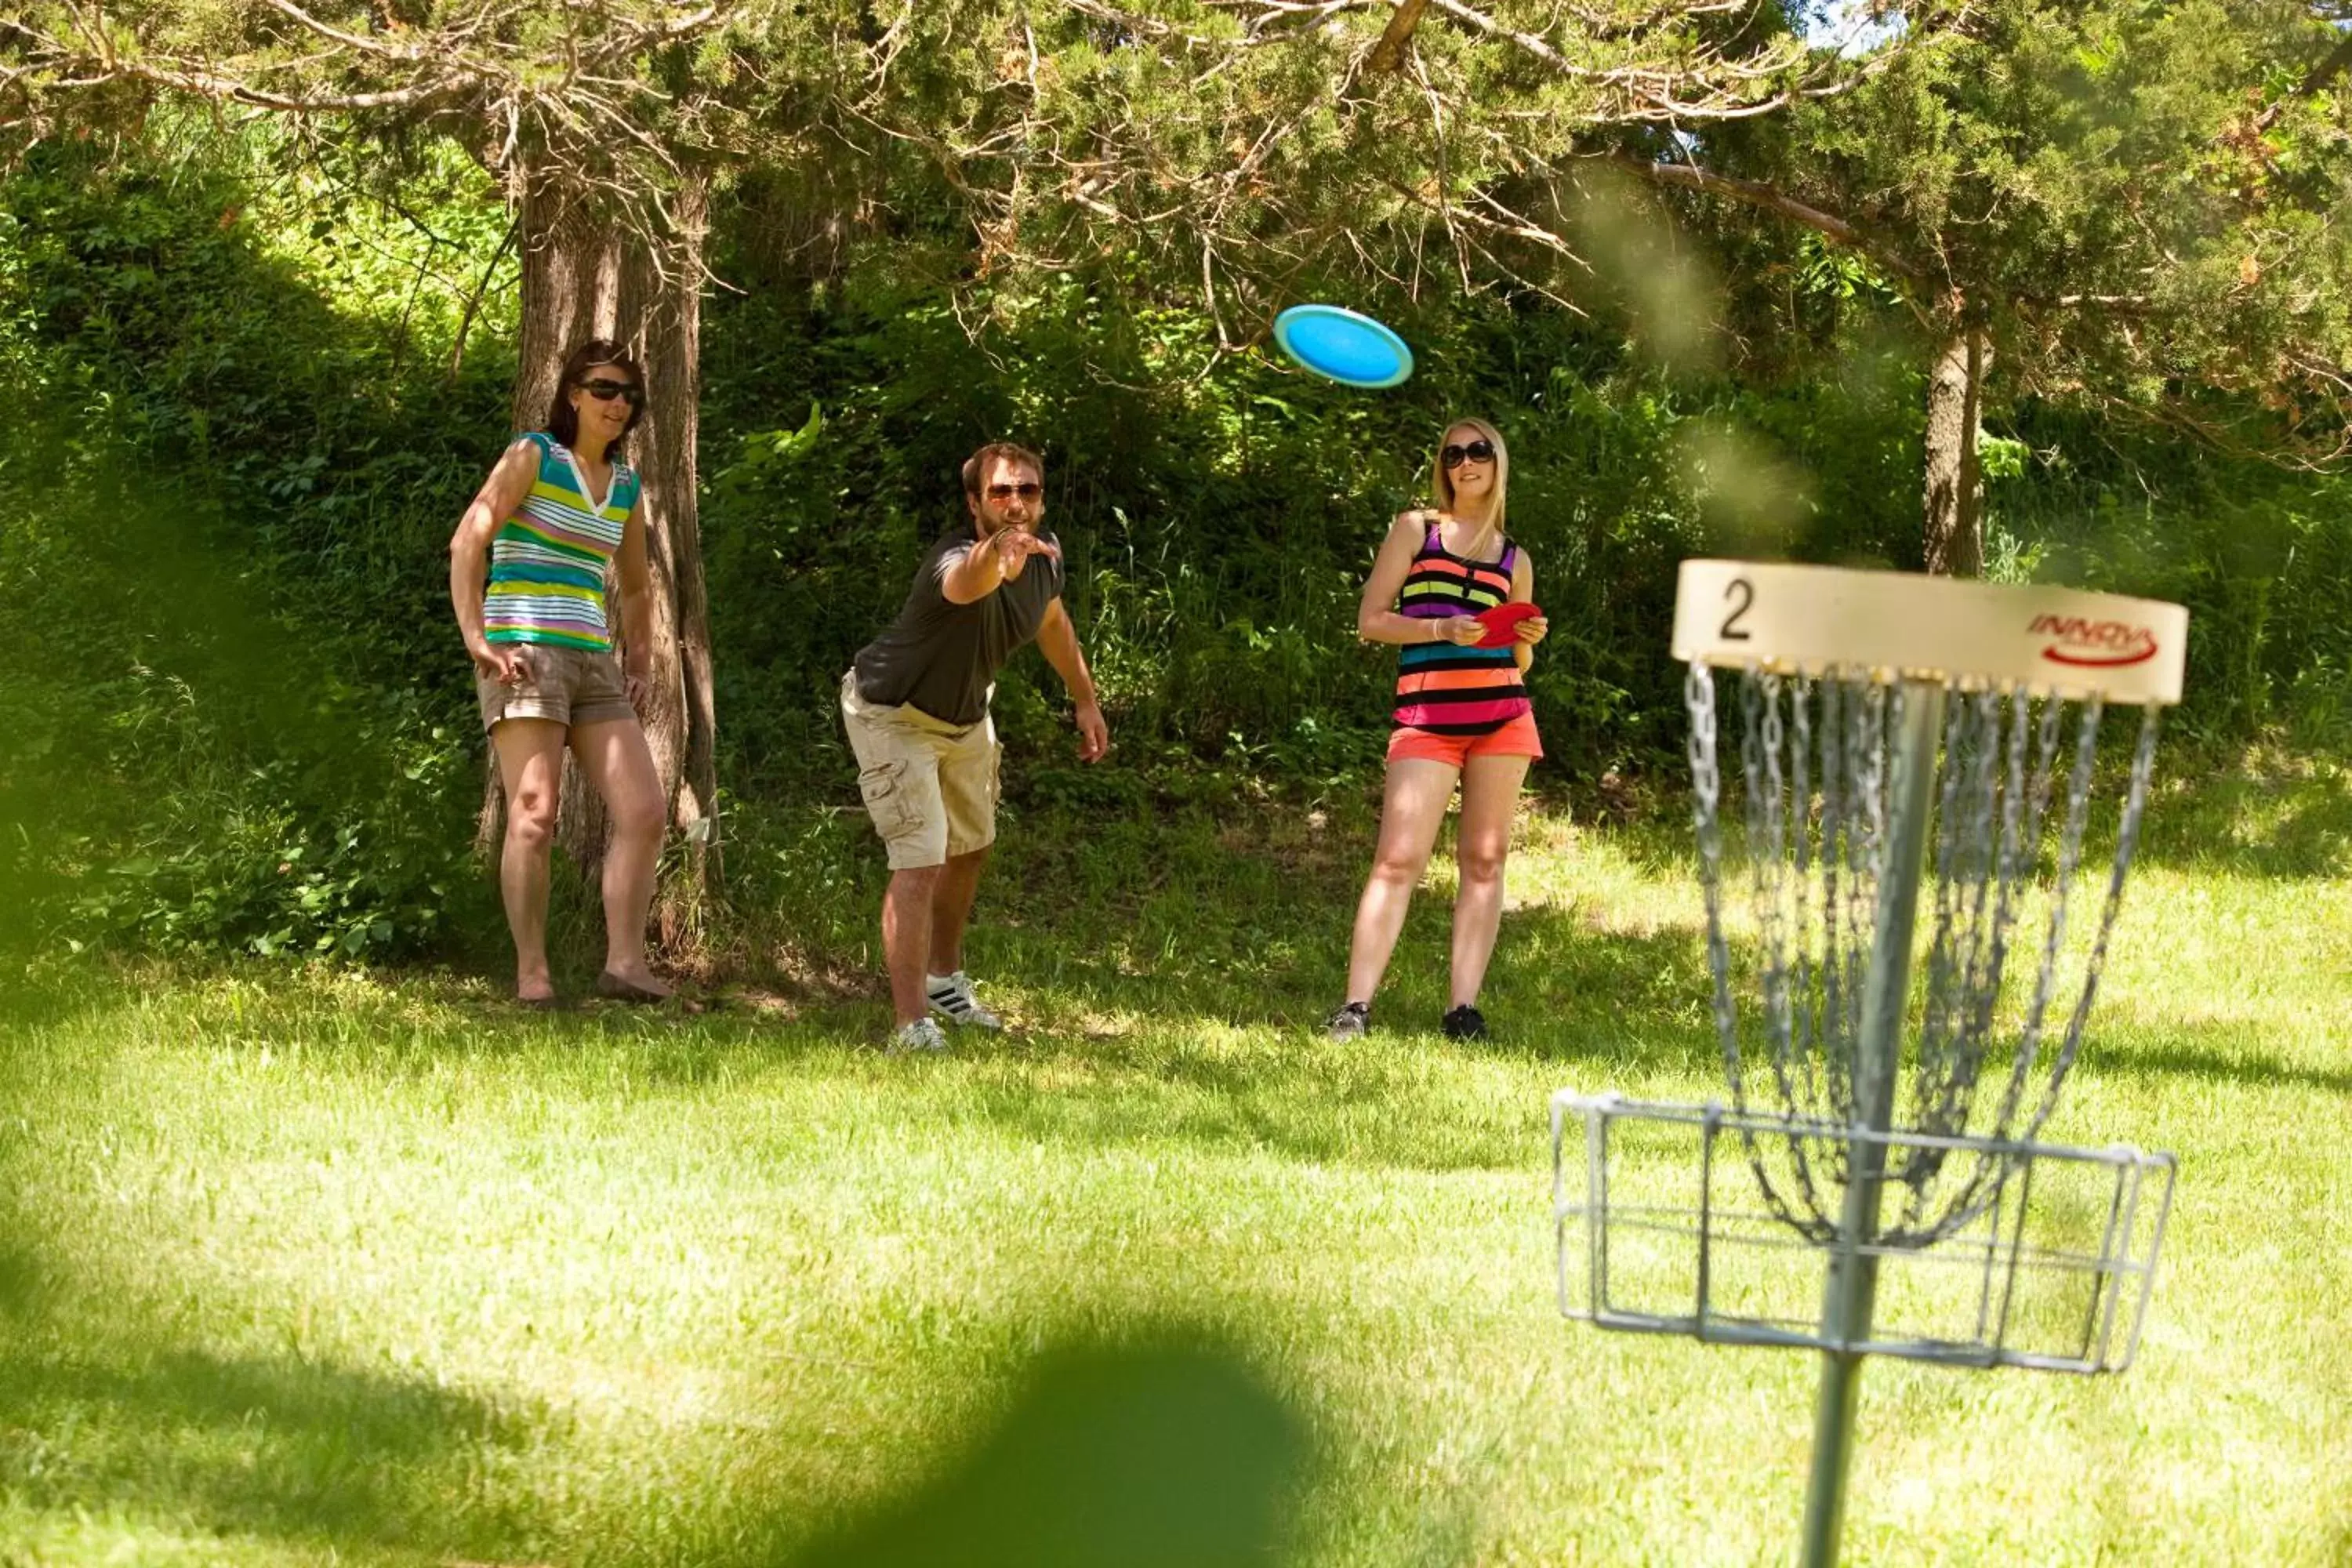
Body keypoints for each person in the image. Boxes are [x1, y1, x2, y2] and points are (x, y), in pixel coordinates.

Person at [843, 442, 1110, 1051]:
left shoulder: (1045, 560)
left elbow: (1051, 622)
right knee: (921, 859)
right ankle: (911, 1025)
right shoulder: (955, 558)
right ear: (974, 503)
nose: (1016, 502)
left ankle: (943, 981)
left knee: (970, 848)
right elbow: (968, 584)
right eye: (1000, 492)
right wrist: (998, 555)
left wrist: (1085, 699)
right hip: (894, 715)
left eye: (1028, 491)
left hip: (965, 718)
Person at [448, 339, 671, 1007]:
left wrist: (638, 661)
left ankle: (624, 966)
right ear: (573, 393)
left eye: (630, 395)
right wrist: (477, 640)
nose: (618, 404)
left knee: (645, 811)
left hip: (593, 661)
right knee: (535, 814)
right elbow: (468, 540)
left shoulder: (626, 485)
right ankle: (533, 975)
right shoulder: (534, 456)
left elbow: (635, 589)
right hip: (523, 651)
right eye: (605, 389)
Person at [1325, 418, 1548, 1043]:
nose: (1465, 462)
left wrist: (1525, 639)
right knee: (1398, 859)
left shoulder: (1515, 557)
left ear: (1498, 462)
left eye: (1478, 451)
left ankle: (1462, 1011)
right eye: (1453, 453)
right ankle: (1355, 1007)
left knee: (1484, 859)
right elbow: (1371, 620)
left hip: (1502, 716)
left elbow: (1516, 659)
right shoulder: (1415, 529)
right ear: (1443, 466)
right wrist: (1439, 628)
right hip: (1428, 716)